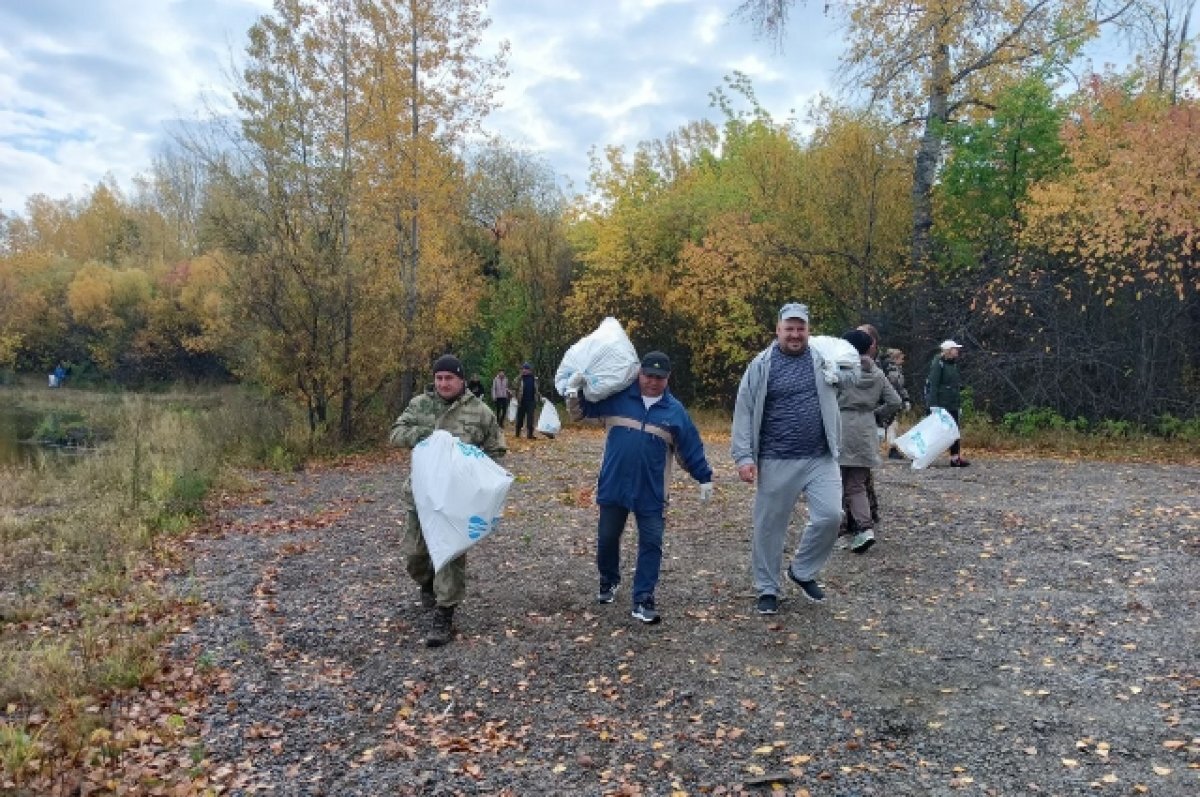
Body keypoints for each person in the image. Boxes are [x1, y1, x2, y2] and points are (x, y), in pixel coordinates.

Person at [565, 351, 713, 625]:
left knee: (652, 543)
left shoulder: (675, 412)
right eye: (648, 375)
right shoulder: (618, 397)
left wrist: (704, 476)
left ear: (668, 379)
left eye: (660, 377)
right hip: (614, 485)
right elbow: (582, 413)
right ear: (639, 373)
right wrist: (575, 391)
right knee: (607, 538)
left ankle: (643, 598)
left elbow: (689, 448)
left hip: (652, 491)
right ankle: (609, 580)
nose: (653, 382)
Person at [731, 302, 858, 616]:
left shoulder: (824, 359)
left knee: (831, 516)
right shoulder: (762, 364)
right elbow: (744, 410)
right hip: (776, 458)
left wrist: (843, 373)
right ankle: (767, 588)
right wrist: (744, 456)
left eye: (801, 328)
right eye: (789, 328)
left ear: (808, 331)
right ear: (778, 330)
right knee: (769, 527)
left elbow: (854, 380)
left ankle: (802, 570)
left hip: (820, 456)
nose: (795, 334)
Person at [389, 354, 506, 647]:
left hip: (457, 501)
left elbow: (496, 451)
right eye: (439, 378)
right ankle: (427, 586)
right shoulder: (420, 405)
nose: (443, 383)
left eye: (449, 378)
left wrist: (478, 479)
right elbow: (396, 434)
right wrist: (428, 435)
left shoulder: (480, 412)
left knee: (449, 558)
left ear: (461, 379)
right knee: (415, 556)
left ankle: (444, 614)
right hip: (421, 495)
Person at [838, 330, 901, 554]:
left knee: (835, 483)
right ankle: (865, 528)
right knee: (857, 485)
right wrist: (876, 415)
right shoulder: (877, 373)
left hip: (840, 426)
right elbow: (895, 401)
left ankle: (839, 528)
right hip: (865, 429)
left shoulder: (841, 370)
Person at [926, 340, 969, 467]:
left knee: (954, 431)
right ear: (949, 350)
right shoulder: (938, 363)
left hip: (952, 403)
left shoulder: (953, 364)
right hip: (941, 404)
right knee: (934, 431)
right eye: (955, 348)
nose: (957, 350)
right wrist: (933, 404)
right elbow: (934, 384)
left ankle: (955, 458)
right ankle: (922, 454)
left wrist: (958, 405)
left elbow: (955, 386)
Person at [881, 349, 911, 460]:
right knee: (891, 425)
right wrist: (903, 399)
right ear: (896, 358)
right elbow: (896, 386)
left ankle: (891, 449)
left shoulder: (893, 369)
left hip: (890, 400)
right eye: (901, 358)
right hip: (890, 401)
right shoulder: (892, 371)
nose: (903, 361)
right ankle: (892, 450)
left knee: (890, 425)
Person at [513, 362, 541, 439]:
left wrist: (539, 398)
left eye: (526, 369)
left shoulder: (534, 379)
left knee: (530, 419)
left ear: (530, 370)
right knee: (520, 418)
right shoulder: (519, 378)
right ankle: (517, 434)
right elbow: (514, 387)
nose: (524, 370)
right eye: (523, 369)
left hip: (531, 401)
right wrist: (515, 398)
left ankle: (530, 435)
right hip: (521, 402)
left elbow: (536, 390)